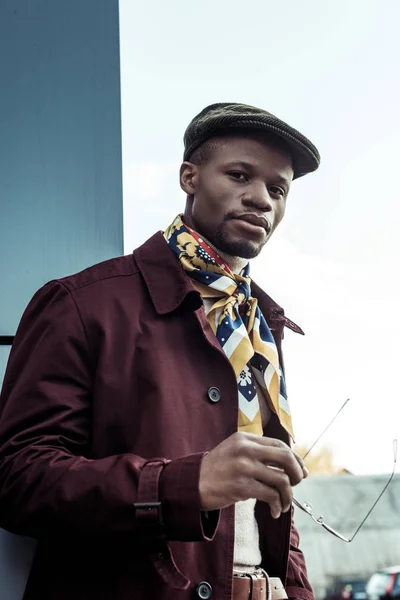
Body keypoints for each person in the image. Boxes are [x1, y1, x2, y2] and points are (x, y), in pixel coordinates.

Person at [0, 102, 320, 600]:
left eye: (277, 189)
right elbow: (18, 480)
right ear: (189, 177)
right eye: (239, 175)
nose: (260, 198)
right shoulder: (82, 304)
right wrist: (184, 484)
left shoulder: (260, 326)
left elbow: (274, 501)